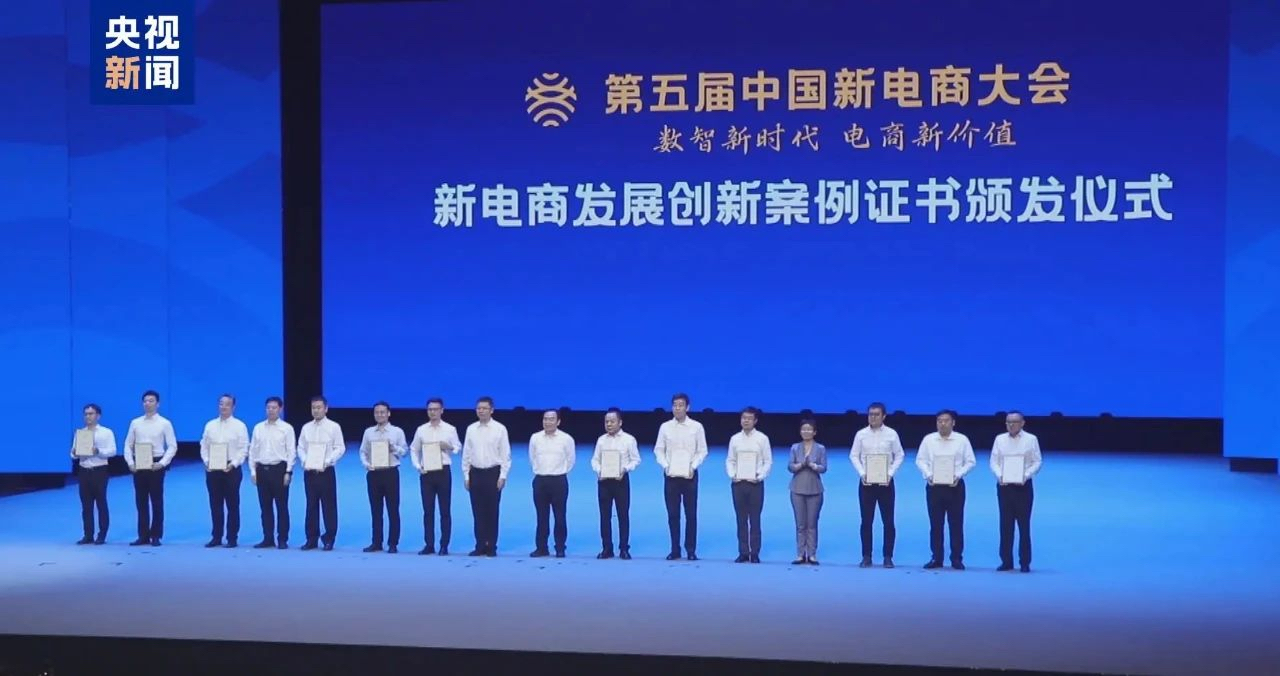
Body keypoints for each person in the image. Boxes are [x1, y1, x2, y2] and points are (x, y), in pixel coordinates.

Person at [915, 410, 976, 570]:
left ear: (953, 422)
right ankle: (936, 558)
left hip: (955, 487)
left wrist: (958, 475)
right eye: (939, 421)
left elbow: (971, 461)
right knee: (936, 524)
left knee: (956, 524)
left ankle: (956, 558)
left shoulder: (962, 440)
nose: (942, 423)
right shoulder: (928, 440)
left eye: (946, 420)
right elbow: (920, 460)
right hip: (934, 487)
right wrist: (928, 475)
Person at [850, 402, 905, 568]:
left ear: (884, 416)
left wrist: (890, 473)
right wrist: (862, 473)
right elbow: (853, 455)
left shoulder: (892, 434)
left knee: (888, 521)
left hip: (886, 483)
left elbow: (900, 455)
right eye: (870, 414)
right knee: (866, 521)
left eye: (876, 414)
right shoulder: (861, 434)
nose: (873, 417)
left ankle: (888, 557)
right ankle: (866, 556)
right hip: (866, 483)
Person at [654, 393, 708, 561]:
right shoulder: (665, 427)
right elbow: (659, 450)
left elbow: (702, 451)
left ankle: (691, 550)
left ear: (687, 407)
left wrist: (693, 466)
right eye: (675, 405)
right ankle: (675, 549)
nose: (677, 408)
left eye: (681, 405)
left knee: (691, 514)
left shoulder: (696, 427)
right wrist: (665, 465)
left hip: (690, 475)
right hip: (671, 476)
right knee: (673, 514)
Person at [990, 410, 1043, 572]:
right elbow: (994, 461)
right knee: (1005, 525)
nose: (1011, 425)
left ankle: (1025, 562)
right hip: (1004, 486)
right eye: (1008, 422)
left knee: (1024, 525)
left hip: (1023, 487)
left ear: (1022, 423)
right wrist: (999, 475)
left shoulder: (1031, 439)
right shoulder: (999, 439)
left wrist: (1025, 475)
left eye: (1014, 422)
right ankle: (1006, 561)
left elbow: (1037, 462)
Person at [123, 390, 177, 546]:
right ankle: (143, 535)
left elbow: (172, 446)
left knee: (156, 501)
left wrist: (162, 463)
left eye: (151, 401)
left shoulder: (164, 423)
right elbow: (128, 444)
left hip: (156, 463)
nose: (147, 403)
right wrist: (130, 463)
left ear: (157, 404)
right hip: (139, 464)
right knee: (141, 501)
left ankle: (156, 535)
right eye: (145, 401)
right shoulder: (135, 423)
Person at [409, 397, 461, 555]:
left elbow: (458, 448)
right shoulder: (421, 430)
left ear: (442, 410)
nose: (432, 412)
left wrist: (449, 446)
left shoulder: (450, 429)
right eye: (430, 409)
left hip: (443, 471)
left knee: (445, 510)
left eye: (436, 409)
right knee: (428, 510)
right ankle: (429, 544)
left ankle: (444, 545)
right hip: (426, 472)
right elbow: (414, 449)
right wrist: (417, 466)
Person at [200, 394, 250, 548]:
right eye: (221, 404)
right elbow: (204, 445)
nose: (223, 407)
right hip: (213, 468)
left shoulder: (239, 426)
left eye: (227, 404)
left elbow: (244, 448)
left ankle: (232, 537)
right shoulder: (210, 425)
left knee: (232, 504)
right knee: (215, 504)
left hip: (231, 469)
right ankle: (216, 536)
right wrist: (207, 461)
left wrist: (234, 464)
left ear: (233, 407)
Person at [462, 396, 510, 557]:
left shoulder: (500, 429)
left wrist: (503, 476)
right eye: (478, 408)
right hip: (475, 473)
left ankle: (491, 546)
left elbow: (505, 455)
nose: (481, 411)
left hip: (492, 473)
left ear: (492, 410)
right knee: (477, 511)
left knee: (492, 511)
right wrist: (466, 475)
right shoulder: (471, 429)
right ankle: (480, 545)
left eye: (484, 408)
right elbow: (466, 454)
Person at [590, 408, 640, 560]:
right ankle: (607, 548)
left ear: (620, 422)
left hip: (621, 481)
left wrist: (625, 469)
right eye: (607, 422)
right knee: (604, 516)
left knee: (623, 515)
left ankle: (624, 548)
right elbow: (595, 460)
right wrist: (599, 470)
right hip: (603, 482)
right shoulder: (601, 440)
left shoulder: (629, 440)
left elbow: (636, 460)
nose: (609, 424)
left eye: (612, 421)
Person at [359, 401, 408, 553]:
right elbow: (363, 451)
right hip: (373, 473)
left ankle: (393, 543)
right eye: (377, 412)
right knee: (376, 510)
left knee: (393, 509)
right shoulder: (368, 432)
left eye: (382, 412)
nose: (379, 415)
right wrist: (366, 464)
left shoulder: (397, 432)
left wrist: (394, 448)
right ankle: (376, 542)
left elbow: (404, 452)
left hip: (390, 473)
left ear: (388, 413)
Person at [297, 395, 345, 551]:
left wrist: (328, 461)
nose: (316, 410)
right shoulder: (306, 428)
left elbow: (340, 447)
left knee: (329, 506)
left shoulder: (334, 427)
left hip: (326, 472)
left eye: (319, 407)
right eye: (313, 408)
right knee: (311, 506)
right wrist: (305, 460)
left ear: (326, 408)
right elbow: (301, 447)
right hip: (310, 472)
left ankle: (329, 538)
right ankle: (311, 539)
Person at [726, 406, 771, 563]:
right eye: (744, 418)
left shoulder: (762, 439)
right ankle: (743, 552)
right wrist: (733, 475)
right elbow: (730, 460)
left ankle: (755, 552)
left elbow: (768, 461)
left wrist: (760, 476)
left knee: (755, 519)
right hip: (738, 484)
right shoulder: (734, 439)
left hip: (755, 484)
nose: (746, 421)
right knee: (741, 519)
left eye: (749, 418)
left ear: (755, 421)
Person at [249, 396, 295, 549]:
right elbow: (253, 450)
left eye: (274, 407)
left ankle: (282, 539)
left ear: (280, 409)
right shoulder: (258, 428)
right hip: (262, 470)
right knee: (265, 507)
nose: (271, 410)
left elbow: (291, 452)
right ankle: (267, 538)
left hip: (279, 470)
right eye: (268, 407)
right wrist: (253, 471)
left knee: (282, 507)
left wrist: (288, 472)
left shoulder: (287, 428)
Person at [528, 409, 575, 558]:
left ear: (558, 421)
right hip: (540, 480)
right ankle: (541, 547)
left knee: (560, 516)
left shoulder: (566, 439)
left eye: (551, 419)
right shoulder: (535, 438)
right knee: (541, 517)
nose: (548, 422)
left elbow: (570, 460)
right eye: (545, 419)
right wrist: (542, 471)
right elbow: (532, 458)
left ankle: (560, 547)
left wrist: (559, 472)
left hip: (558, 481)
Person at [70, 403, 116, 545]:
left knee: (101, 503)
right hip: (84, 470)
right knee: (86, 505)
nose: (88, 417)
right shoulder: (80, 433)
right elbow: (72, 453)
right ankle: (88, 534)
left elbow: (113, 451)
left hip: (99, 470)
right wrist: (75, 453)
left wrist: (98, 451)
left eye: (91, 414)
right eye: (86, 414)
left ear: (98, 416)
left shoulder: (106, 432)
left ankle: (102, 534)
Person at [787, 418, 825, 565]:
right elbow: (790, 466)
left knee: (812, 524)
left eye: (809, 429)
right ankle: (800, 554)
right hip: (797, 489)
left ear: (814, 432)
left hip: (814, 489)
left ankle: (812, 554)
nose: (806, 432)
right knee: (800, 524)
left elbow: (824, 467)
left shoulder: (820, 448)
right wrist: (801, 464)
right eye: (804, 429)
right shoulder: (795, 448)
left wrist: (814, 466)